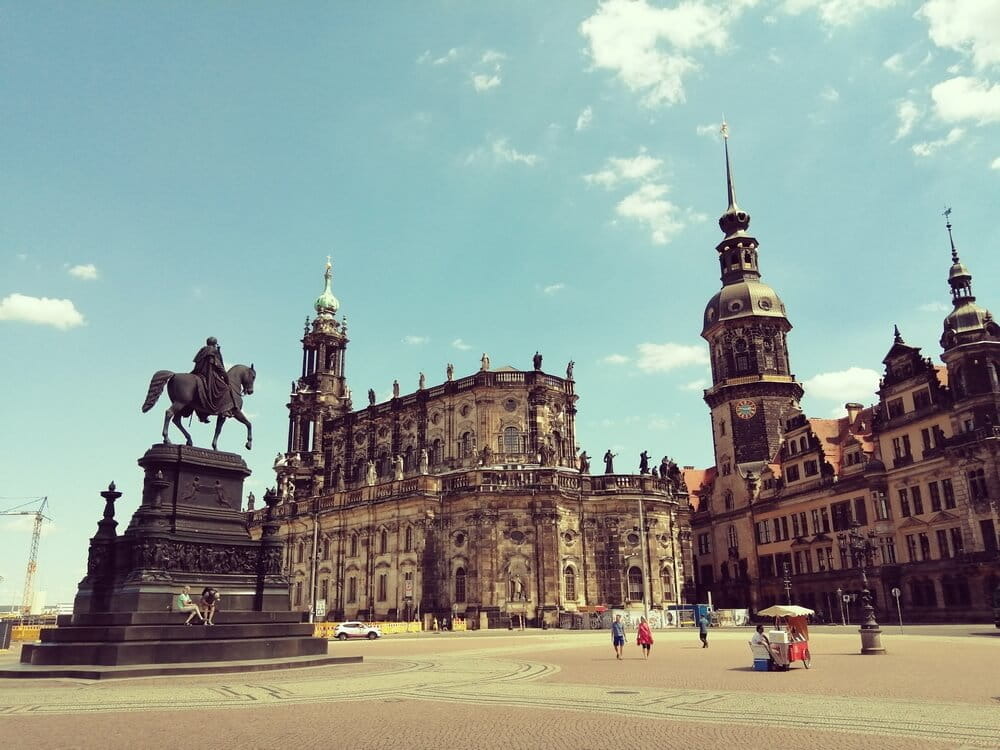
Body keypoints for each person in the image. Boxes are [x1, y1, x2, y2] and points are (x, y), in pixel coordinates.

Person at [191, 337, 229, 422]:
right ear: (214, 344)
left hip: (199, 373)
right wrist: (226, 376)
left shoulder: (202, 350)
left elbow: (197, 364)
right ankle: (225, 411)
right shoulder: (213, 351)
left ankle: (202, 415)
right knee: (224, 388)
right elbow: (219, 365)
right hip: (209, 375)